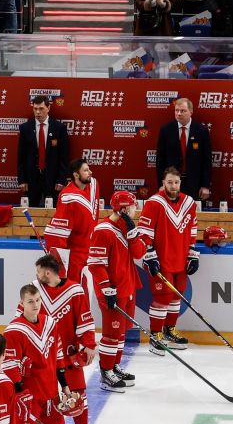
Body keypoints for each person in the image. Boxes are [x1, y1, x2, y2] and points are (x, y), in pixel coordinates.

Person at [2, 283, 78, 424]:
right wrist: (19, 392)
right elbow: (10, 364)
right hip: (28, 396)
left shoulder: (50, 323)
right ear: (21, 303)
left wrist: (64, 385)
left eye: (37, 301)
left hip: (50, 391)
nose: (35, 305)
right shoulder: (14, 331)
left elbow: (58, 354)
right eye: (30, 301)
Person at [34, 253, 96, 424]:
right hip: (43, 353)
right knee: (45, 395)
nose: (36, 275)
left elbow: (84, 317)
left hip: (68, 354)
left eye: (38, 271)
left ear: (47, 272)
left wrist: (89, 344)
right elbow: (23, 317)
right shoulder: (35, 290)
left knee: (78, 392)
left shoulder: (75, 290)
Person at [88, 191, 147, 391]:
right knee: (112, 333)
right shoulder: (103, 230)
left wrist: (133, 234)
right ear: (123, 209)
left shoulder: (127, 227)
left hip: (127, 287)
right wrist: (106, 288)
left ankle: (114, 366)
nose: (135, 209)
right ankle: (106, 372)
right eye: (132, 206)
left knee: (121, 332)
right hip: (112, 291)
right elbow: (96, 264)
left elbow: (139, 253)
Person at [137, 166, 199, 354]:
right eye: (170, 182)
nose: (173, 186)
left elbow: (192, 229)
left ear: (180, 183)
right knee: (163, 297)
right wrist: (149, 254)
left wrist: (192, 253)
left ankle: (169, 330)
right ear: (163, 182)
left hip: (180, 260)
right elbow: (144, 232)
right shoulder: (154, 203)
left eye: (176, 182)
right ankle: (155, 335)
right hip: (161, 261)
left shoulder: (189, 203)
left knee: (177, 294)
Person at [43, 159, 99, 286]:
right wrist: (59, 265)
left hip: (90, 256)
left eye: (89, 169)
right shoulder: (69, 198)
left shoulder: (93, 186)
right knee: (73, 293)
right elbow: (56, 234)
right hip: (75, 260)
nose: (90, 172)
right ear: (76, 175)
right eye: (86, 170)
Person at [154, 98, 212, 203]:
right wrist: (162, 183)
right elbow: (160, 160)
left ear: (191, 112)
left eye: (183, 111)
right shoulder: (166, 130)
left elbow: (206, 160)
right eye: (177, 110)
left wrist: (205, 185)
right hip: (171, 183)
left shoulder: (201, 131)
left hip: (194, 184)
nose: (179, 113)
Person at [16, 94, 70, 206]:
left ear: (48, 108)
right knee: (31, 210)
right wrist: (22, 179)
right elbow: (21, 156)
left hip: (53, 179)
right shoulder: (25, 128)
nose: (38, 112)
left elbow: (64, 157)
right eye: (35, 109)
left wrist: (61, 179)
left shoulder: (59, 128)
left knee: (54, 210)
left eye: (41, 109)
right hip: (31, 179)